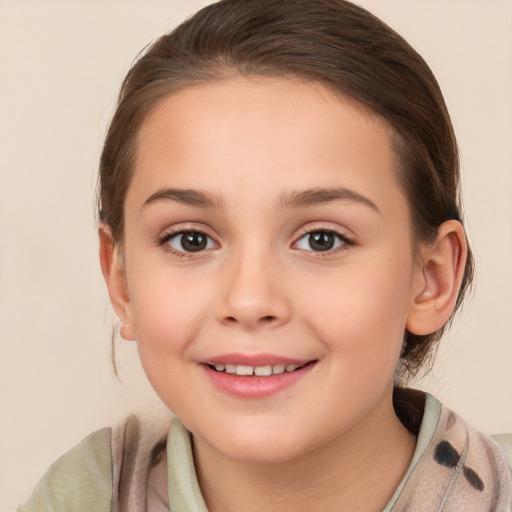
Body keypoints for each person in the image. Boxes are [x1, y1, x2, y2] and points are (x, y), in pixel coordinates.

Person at [18, 0, 512, 510]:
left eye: (322, 239)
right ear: (122, 282)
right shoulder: (82, 495)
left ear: (430, 279)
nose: (250, 301)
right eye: (191, 240)